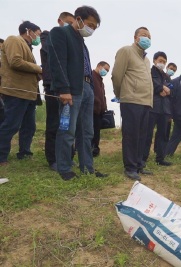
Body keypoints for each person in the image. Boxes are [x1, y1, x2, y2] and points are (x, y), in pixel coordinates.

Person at [48, 6, 108, 180]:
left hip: (87, 89)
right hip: (71, 90)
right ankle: (65, 168)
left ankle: (87, 168)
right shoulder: (60, 33)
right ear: (78, 19)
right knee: (67, 131)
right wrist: (64, 89)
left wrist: (91, 89)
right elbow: (57, 63)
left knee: (86, 132)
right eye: (90, 24)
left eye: (95, 27)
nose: (91, 29)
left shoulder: (82, 42)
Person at [112, 26, 153, 181]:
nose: (147, 38)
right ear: (135, 37)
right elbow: (117, 75)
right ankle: (130, 167)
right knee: (131, 135)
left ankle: (138, 165)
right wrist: (120, 94)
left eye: (149, 36)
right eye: (144, 35)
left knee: (142, 135)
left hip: (145, 101)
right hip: (131, 99)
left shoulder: (147, 60)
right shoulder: (126, 51)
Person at [0, 21, 42, 167]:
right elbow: (15, 62)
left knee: (29, 127)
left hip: (29, 93)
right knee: (11, 124)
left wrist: (37, 74)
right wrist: (38, 68)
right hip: (16, 91)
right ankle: (1, 156)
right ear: (29, 31)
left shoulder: (29, 48)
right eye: (38, 34)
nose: (39, 37)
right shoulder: (14, 39)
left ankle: (25, 153)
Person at [41, 12, 77, 171]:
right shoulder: (48, 36)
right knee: (54, 123)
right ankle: (52, 158)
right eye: (68, 22)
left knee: (67, 124)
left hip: (69, 86)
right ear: (60, 21)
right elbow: (57, 56)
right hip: (53, 85)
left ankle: (67, 156)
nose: (70, 26)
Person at [142, 51, 173, 166]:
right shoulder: (149, 72)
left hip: (165, 109)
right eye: (160, 61)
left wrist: (168, 90)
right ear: (154, 61)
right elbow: (148, 84)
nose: (162, 63)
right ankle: (143, 158)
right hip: (152, 107)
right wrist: (160, 88)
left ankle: (160, 158)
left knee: (163, 135)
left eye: (164, 62)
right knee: (147, 134)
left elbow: (170, 88)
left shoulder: (166, 76)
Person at [92, 61, 110, 157]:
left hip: (99, 110)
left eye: (107, 71)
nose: (106, 72)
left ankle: (95, 149)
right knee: (90, 131)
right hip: (91, 108)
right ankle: (90, 149)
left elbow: (102, 95)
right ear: (99, 66)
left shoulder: (100, 80)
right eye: (105, 69)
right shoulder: (91, 76)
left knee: (96, 131)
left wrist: (104, 107)